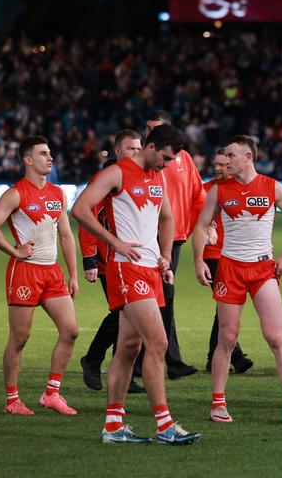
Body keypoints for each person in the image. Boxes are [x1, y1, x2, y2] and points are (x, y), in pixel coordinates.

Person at [72, 124, 200, 444]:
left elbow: (167, 217)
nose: (168, 165)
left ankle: (113, 427)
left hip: (150, 270)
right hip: (125, 269)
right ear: (151, 146)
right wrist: (114, 242)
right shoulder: (117, 173)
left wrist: (166, 255)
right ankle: (165, 426)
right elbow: (79, 209)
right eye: (166, 158)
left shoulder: (157, 177)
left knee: (130, 347)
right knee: (158, 343)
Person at [192, 134, 282, 424]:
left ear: (248, 157)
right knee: (227, 338)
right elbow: (201, 224)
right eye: (225, 156)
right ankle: (218, 403)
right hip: (230, 269)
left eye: (230, 155)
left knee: (275, 336)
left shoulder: (271, 186)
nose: (225, 161)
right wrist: (198, 260)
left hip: (262, 269)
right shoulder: (218, 190)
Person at [0, 136, 79, 415]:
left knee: (71, 331)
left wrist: (73, 274)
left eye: (50, 153)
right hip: (24, 272)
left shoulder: (56, 193)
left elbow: (65, 234)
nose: (50, 158)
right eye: (43, 153)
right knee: (20, 338)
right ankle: (12, 400)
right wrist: (13, 251)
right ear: (28, 160)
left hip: (52, 272)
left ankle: (51, 393)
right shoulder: (16, 193)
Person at [134, 111, 202, 380]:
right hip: (148, 237)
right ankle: (162, 359)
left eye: (156, 128)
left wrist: (204, 225)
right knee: (156, 296)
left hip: (175, 236)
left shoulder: (182, 158)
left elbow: (198, 194)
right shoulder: (141, 159)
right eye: (148, 127)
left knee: (161, 296)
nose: (150, 132)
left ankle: (159, 358)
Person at [79, 130, 146, 394]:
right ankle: (93, 360)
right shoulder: (105, 178)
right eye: (131, 149)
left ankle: (121, 375)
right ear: (118, 151)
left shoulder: (141, 176)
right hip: (109, 260)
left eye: (139, 148)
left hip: (136, 258)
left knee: (129, 317)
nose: (136, 153)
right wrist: (89, 259)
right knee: (124, 314)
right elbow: (87, 218)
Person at [204, 148, 253, 373]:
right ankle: (232, 355)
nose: (218, 168)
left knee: (225, 307)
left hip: (237, 255)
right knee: (227, 305)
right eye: (216, 164)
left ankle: (225, 354)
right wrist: (208, 228)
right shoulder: (208, 190)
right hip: (215, 255)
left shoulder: (243, 188)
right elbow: (195, 217)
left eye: (223, 164)